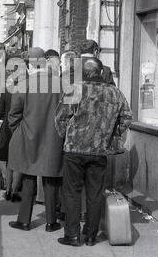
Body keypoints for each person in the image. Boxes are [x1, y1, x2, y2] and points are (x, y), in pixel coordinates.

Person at [55, 57, 132, 247]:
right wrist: (111, 135)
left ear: (85, 72)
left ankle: (72, 235)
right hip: (99, 150)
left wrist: (66, 135)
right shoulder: (115, 93)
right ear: (100, 72)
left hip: (75, 148)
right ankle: (90, 235)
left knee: (72, 192)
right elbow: (126, 118)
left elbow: (60, 118)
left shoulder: (75, 89)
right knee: (95, 193)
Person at [8, 47, 63, 233]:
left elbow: (14, 114)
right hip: (53, 136)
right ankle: (51, 222)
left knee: (28, 177)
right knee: (51, 179)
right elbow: (68, 113)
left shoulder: (24, 84)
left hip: (28, 135)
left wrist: (18, 131)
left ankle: (24, 221)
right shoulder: (59, 84)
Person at [0, 56, 24, 202]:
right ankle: (14, 191)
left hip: (7, 126)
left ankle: (7, 187)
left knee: (4, 156)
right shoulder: (29, 89)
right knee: (18, 161)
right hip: (21, 127)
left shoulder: (7, 90)